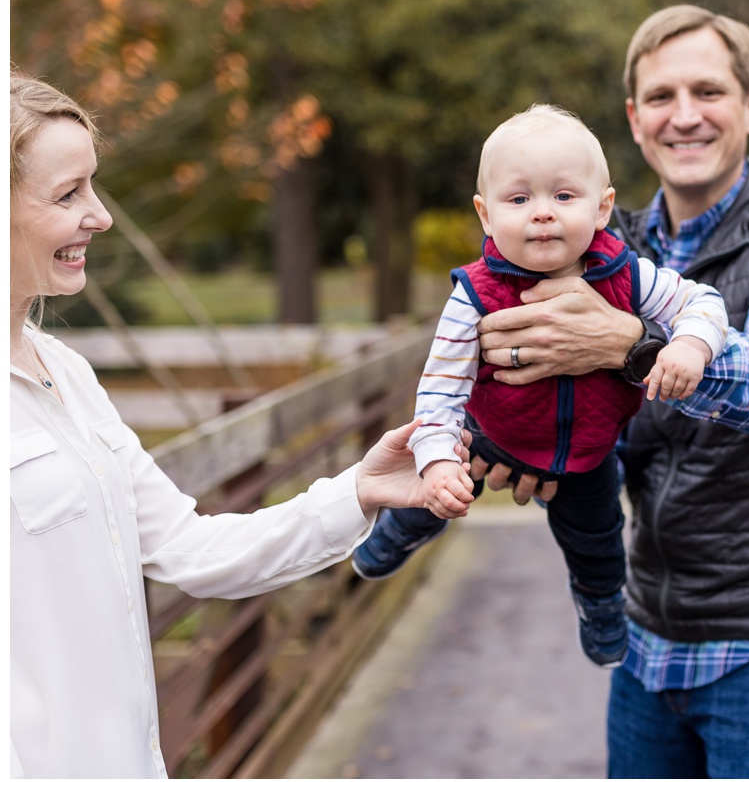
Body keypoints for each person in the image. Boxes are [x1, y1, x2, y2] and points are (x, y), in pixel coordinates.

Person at [8, 70, 469, 779]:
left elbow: (191, 547)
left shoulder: (68, 373)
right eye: (68, 194)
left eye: (93, 186)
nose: (98, 215)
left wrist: (359, 491)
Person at [471, 5, 749, 779]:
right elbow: (555, 383)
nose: (683, 116)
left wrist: (625, 346)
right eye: (660, 97)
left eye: (708, 91)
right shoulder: (606, 247)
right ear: (634, 118)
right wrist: (515, 439)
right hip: (647, 630)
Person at [351, 103, 729, 668]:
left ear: (603, 207)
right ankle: (398, 532)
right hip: (490, 435)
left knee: (598, 541)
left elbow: (702, 301)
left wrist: (689, 344)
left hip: (586, 453)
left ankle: (600, 606)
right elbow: (440, 390)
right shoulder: (474, 296)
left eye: (564, 197)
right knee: (439, 493)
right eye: (520, 198)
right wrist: (436, 462)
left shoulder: (626, 275)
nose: (543, 215)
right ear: (485, 214)